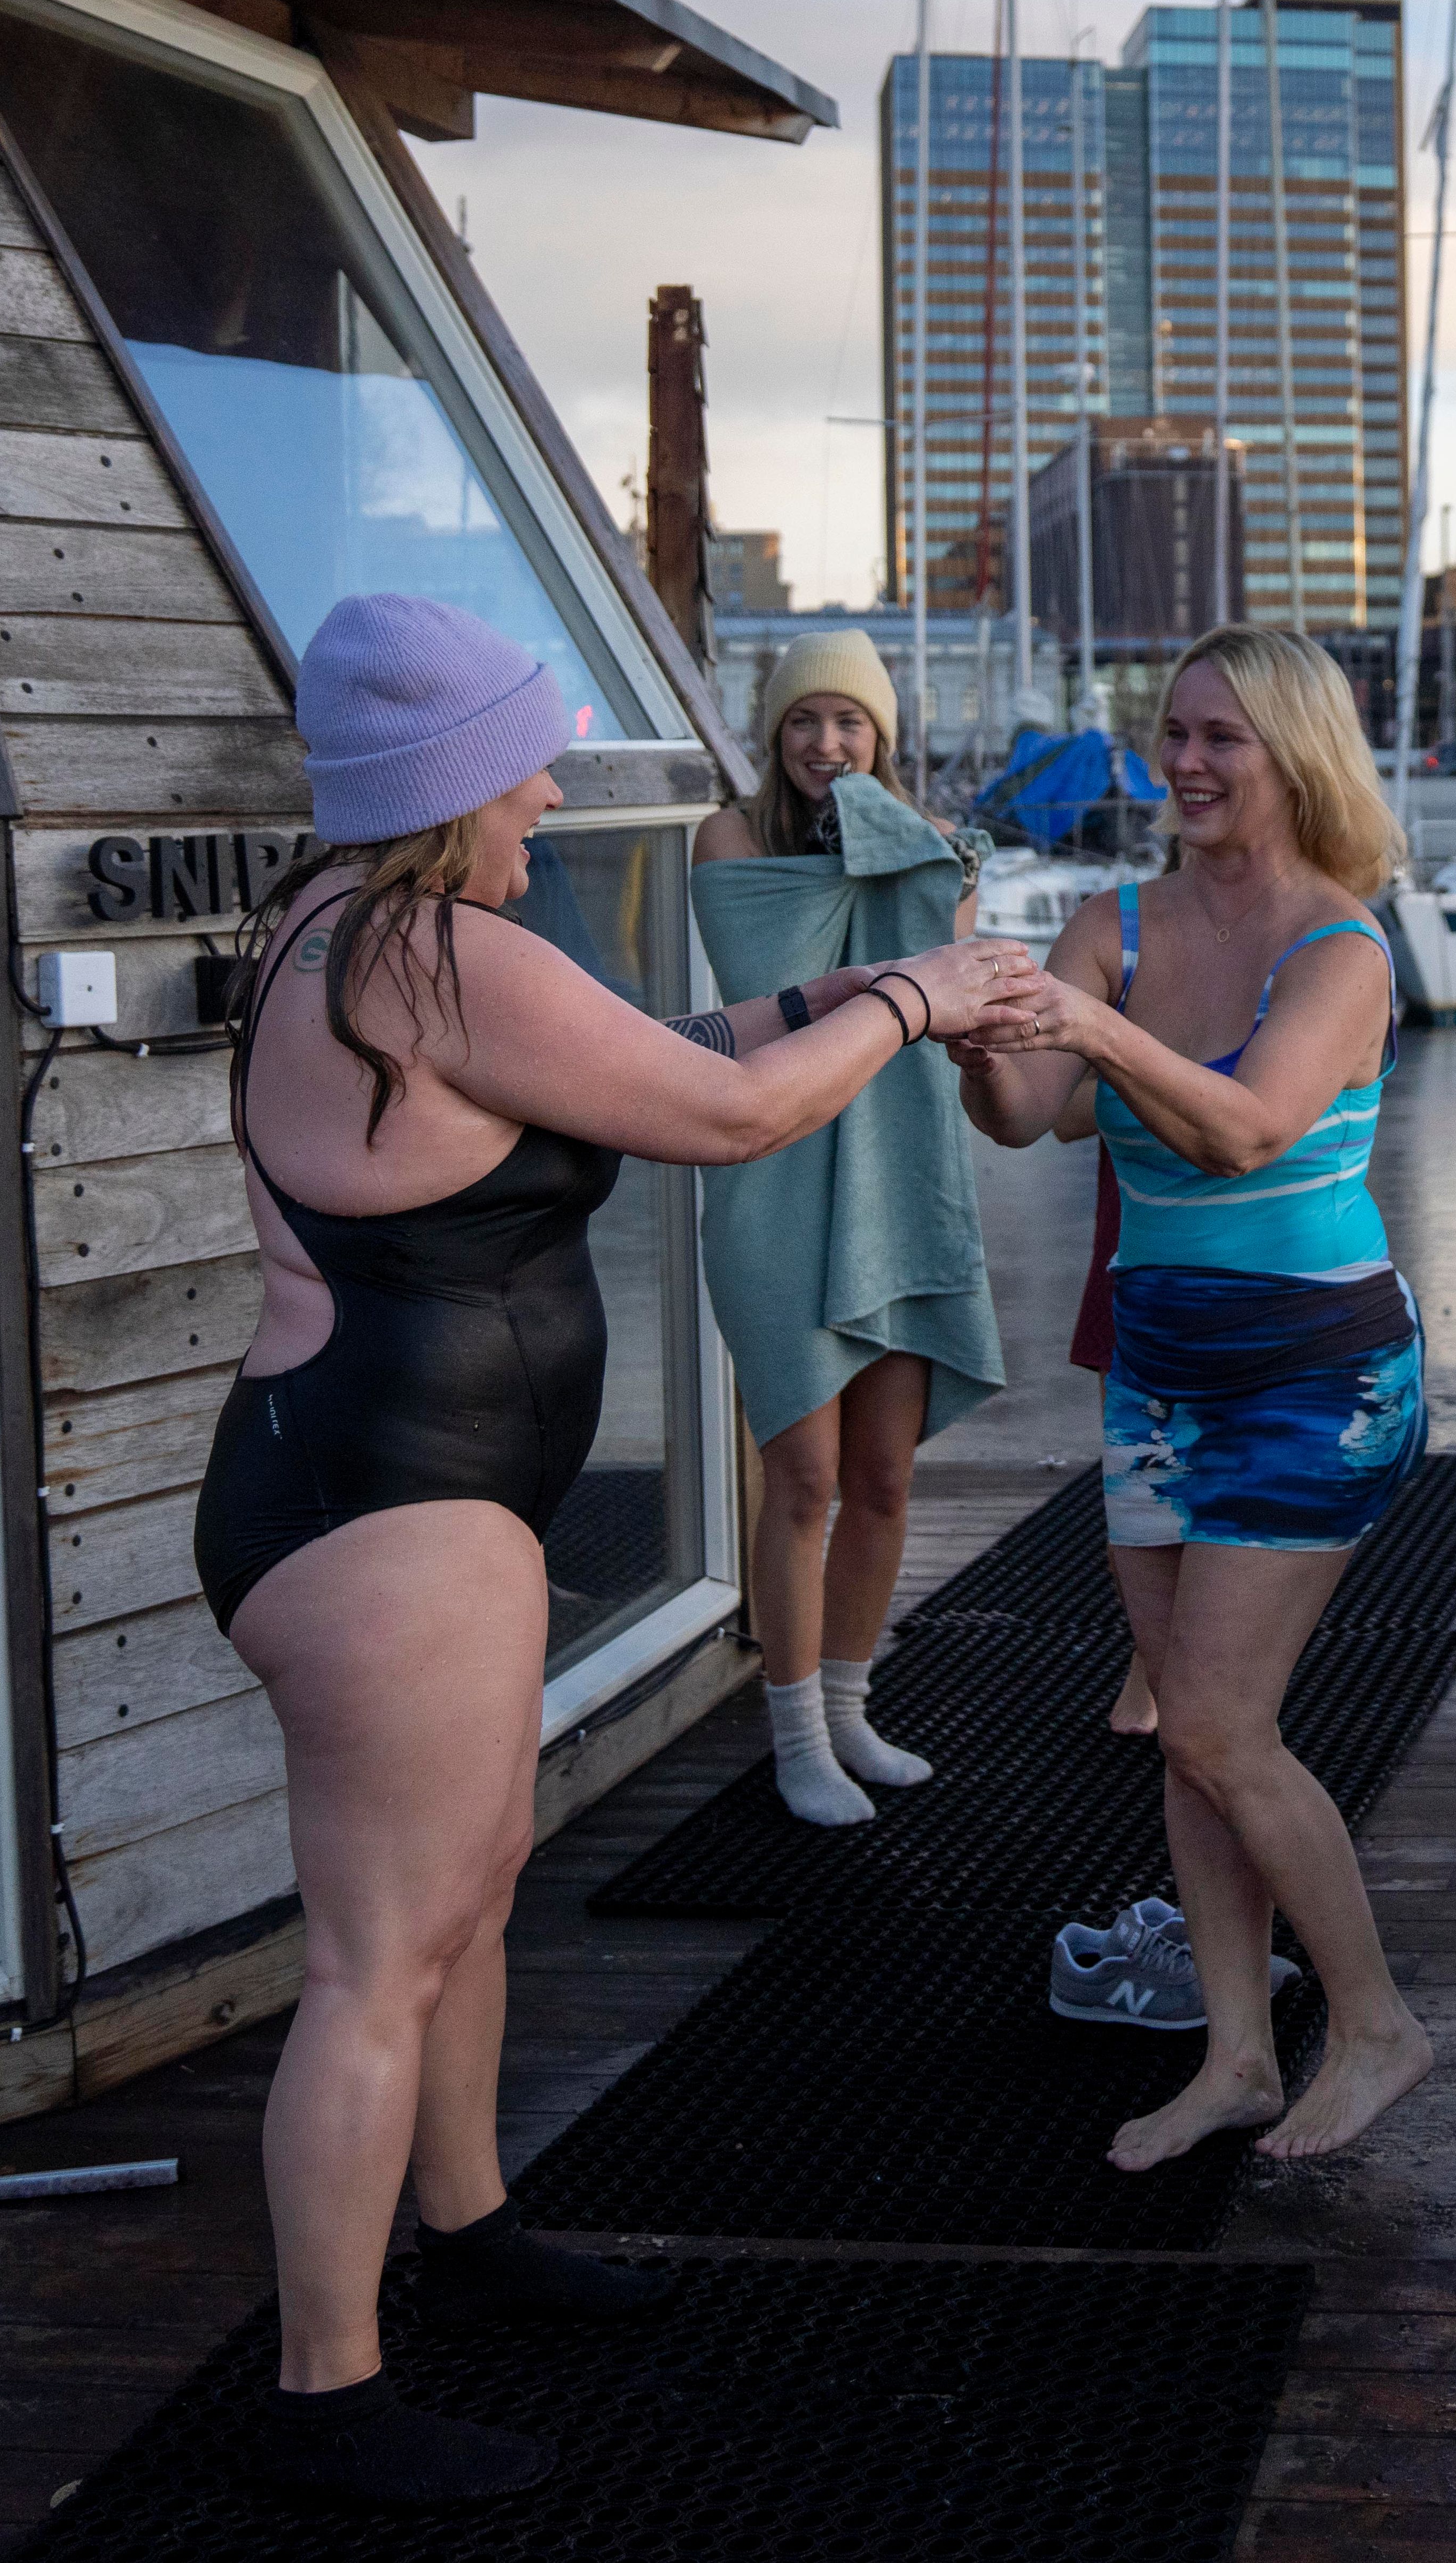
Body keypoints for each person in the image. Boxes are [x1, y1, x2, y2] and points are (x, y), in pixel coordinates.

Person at [203, 595, 1039, 2504]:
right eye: (526, 753)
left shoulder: (387, 932)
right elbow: (726, 1118)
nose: (551, 785)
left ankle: (474, 2228)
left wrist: (835, 991)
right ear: (443, 782)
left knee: (472, 1888)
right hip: (373, 1510)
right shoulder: (421, 945)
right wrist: (915, 999)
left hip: (419, 1499)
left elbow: (662, 1043)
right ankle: (325, 2394)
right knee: (376, 1957)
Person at [957, 625, 1438, 2169]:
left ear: (1296, 753)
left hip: (1319, 1375)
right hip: (1161, 1377)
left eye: (1221, 737)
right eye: (1172, 733)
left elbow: (1244, 1130)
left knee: (1226, 1723)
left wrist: (1090, 1022)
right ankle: (1235, 2055)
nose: (1184, 763)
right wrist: (978, 1022)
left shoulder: (1344, 947)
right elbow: (1033, 1118)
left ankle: (1372, 2025)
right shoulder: (1120, 922)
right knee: (1183, 1738)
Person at [692, 631, 999, 1823]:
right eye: (805, 723)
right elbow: (779, 995)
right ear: (772, 733)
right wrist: (906, 849)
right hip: (775, 1173)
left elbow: (948, 989)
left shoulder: (933, 850)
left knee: (881, 1477)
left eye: (852, 725)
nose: (827, 746)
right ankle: (793, 1738)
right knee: (803, 1477)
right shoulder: (731, 838)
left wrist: (913, 846)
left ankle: (853, 1712)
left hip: (902, 1170)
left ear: (886, 735)